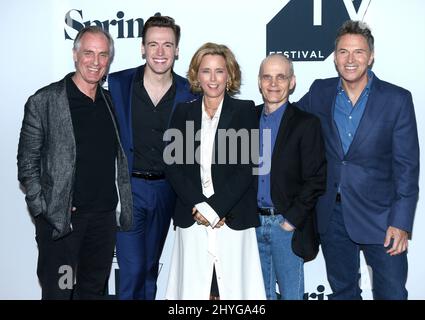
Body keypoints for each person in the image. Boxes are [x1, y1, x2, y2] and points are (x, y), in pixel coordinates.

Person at [297, 20, 419, 300]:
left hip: (382, 218)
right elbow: (289, 122)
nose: (350, 59)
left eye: (359, 52)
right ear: (334, 57)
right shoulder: (320, 92)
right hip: (332, 215)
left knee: (392, 294)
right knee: (344, 293)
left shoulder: (397, 99)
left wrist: (401, 223)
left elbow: (407, 167)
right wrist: (243, 117)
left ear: (371, 56)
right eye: (343, 52)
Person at [17, 26, 132, 300]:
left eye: (103, 55)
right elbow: (27, 164)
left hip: (102, 222)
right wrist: (43, 210)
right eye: (88, 53)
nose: (95, 61)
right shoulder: (45, 101)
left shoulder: (109, 102)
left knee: (92, 292)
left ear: (109, 60)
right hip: (64, 224)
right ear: (75, 54)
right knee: (60, 292)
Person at [164, 42, 266, 300]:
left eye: (219, 71)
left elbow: (246, 167)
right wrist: (201, 207)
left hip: (231, 218)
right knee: (194, 292)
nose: (213, 78)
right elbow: (174, 166)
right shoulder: (182, 112)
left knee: (232, 291)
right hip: (192, 214)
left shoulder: (244, 111)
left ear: (229, 75)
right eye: (206, 71)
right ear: (196, 75)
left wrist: (217, 209)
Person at [107, 14, 197, 300]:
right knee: (132, 271)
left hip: (166, 190)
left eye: (167, 45)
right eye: (153, 44)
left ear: (177, 50)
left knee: (148, 270)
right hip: (129, 189)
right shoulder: (119, 83)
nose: (160, 52)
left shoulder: (189, 92)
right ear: (142, 48)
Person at [255, 54, 326, 300]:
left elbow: (316, 179)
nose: (273, 83)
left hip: (286, 226)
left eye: (281, 77)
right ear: (259, 82)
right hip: (251, 226)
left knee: (291, 296)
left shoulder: (306, 124)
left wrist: (290, 222)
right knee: (258, 297)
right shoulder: (246, 120)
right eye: (267, 77)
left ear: (292, 82)